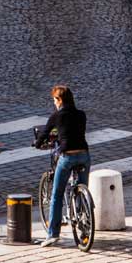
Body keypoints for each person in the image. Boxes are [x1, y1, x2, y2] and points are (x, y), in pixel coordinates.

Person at [34, 84, 90, 246]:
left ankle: (53, 234)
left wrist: (37, 143)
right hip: (84, 155)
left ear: (59, 100)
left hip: (67, 156)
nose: (54, 103)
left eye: (54, 100)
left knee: (57, 195)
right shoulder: (81, 114)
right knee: (82, 188)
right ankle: (84, 223)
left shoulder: (56, 116)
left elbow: (44, 135)